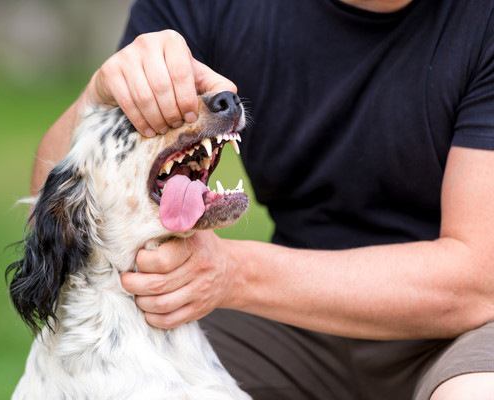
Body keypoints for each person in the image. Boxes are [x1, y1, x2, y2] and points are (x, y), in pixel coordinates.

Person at [30, 1, 494, 399]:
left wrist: (234, 274)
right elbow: (47, 219)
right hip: (288, 317)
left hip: (463, 330)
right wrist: (97, 96)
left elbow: (477, 282)